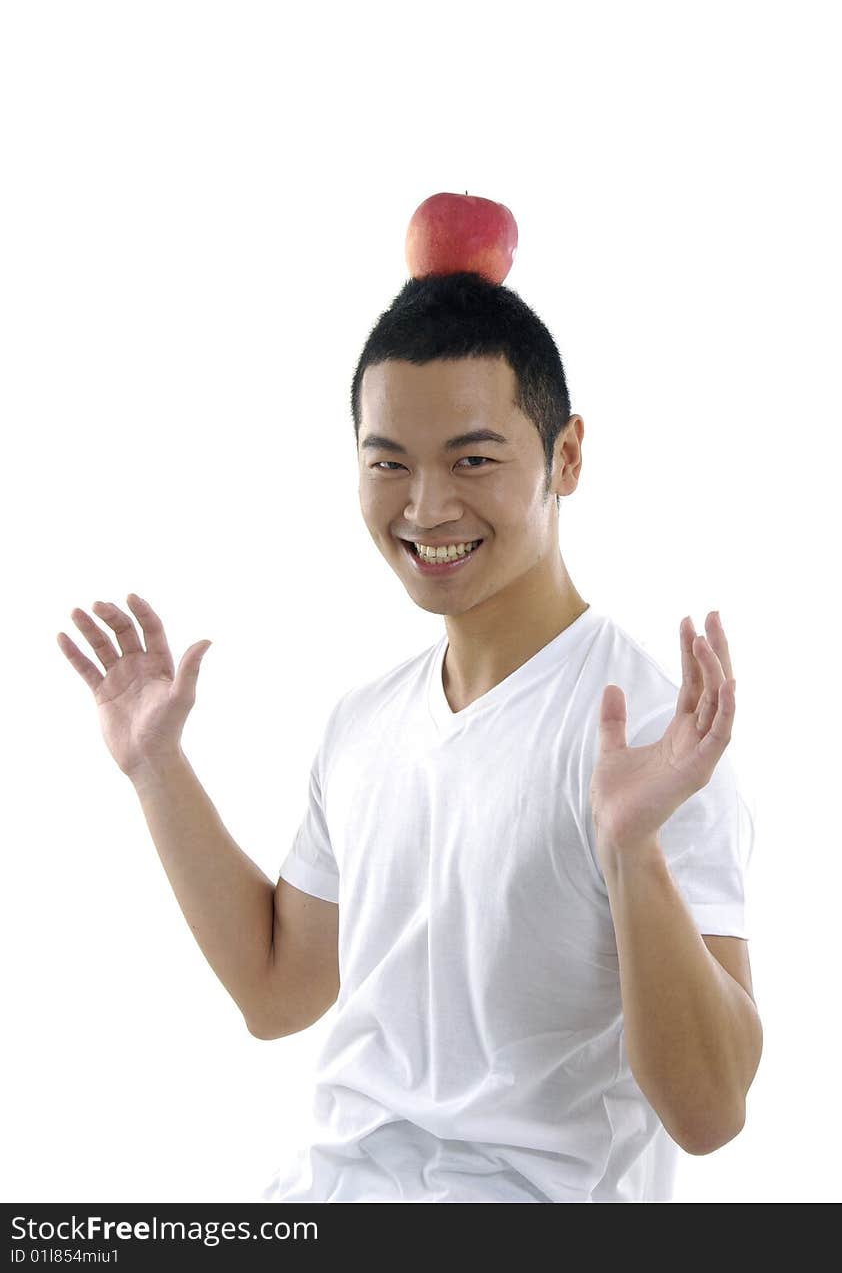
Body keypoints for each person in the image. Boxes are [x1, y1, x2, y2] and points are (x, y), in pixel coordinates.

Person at [57, 271, 762, 1203]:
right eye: (388, 462)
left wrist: (632, 850)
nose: (425, 507)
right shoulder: (364, 721)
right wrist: (157, 769)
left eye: (473, 460)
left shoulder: (654, 744)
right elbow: (278, 989)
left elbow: (710, 1113)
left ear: (568, 455)